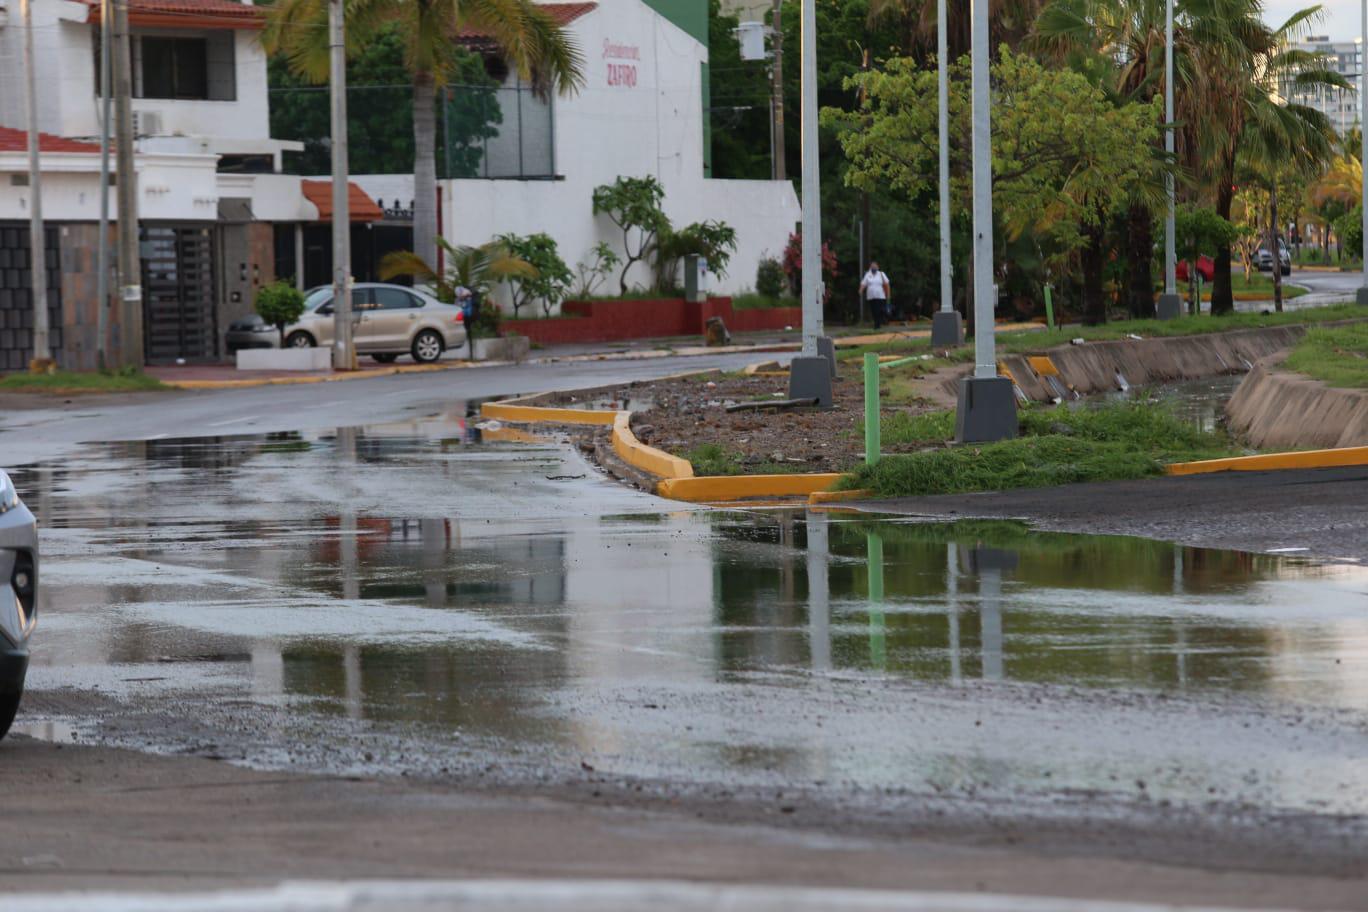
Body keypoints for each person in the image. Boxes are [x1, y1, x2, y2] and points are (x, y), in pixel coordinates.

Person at [860, 261, 891, 329]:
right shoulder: (868, 274)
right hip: (871, 296)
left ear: (878, 267)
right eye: (872, 266)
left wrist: (888, 294)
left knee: (879, 310)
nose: (873, 267)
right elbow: (864, 283)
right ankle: (877, 324)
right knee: (874, 311)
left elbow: (887, 284)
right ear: (870, 267)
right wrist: (860, 290)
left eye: (875, 266)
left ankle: (878, 324)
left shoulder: (881, 274)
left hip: (880, 296)